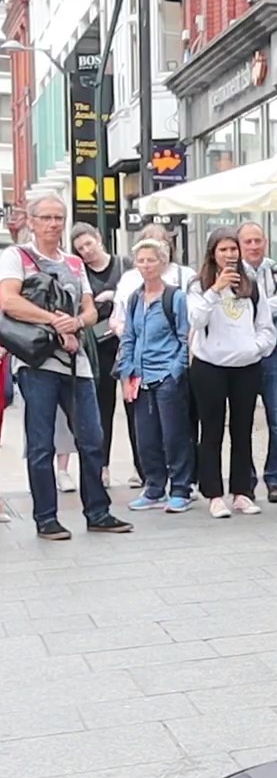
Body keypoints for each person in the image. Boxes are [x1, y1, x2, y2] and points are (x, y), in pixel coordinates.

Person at [0, 194, 133, 539]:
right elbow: (9, 301)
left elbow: (89, 310)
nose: (53, 224)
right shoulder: (16, 257)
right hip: (37, 363)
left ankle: (98, 511)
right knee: (41, 443)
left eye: (59, 217)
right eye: (46, 217)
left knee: (92, 438)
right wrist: (55, 321)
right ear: (31, 221)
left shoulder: (75, 264)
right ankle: (46, 518)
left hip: (77, 362)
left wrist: (77, 323)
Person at [189, 226, 276, 518]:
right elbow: (195, 319)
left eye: (233, 249)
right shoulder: (198, 285)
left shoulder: (250, 284)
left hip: (246, 366)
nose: (229, 255)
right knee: (211, 431)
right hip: (209, 367)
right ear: (212, 253)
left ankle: (242, 491)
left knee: (243, 430)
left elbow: (266, 326)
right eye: (223, 249)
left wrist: (256, 348)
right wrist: (215, 289)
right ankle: (213, 493)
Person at [118, 237, 196, 514]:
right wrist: (126, 370)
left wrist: (175, 371)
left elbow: (185, 337)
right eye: (141, 260)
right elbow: (129, 336)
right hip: (140, 377)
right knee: (145, 437)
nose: (146, 265)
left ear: (163, 263)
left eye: (151, 260)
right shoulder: (135, 298)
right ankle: (153, 487)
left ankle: (181, 488)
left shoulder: (175, 297)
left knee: (174, 435)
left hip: (166, 376)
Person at [238, 221, 277, 503]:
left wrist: (256, 304)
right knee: (243, 422)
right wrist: (266, 305)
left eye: (257, 241)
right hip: (243, 355)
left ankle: (274, 478)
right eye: (247, 242)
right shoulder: (233, 275)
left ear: (266, 242)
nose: (253, 246)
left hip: (275, 354)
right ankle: (245, 480)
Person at [69, 224, 132, 489]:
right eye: (80, 248)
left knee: (134, 405)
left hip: (126, 340)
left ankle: (142, 468)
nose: (86, 252)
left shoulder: (124, 264)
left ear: (99, 239)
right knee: (102, 407)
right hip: (98, 345)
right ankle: (102, 467)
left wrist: (114, 296)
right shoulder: (80, 272)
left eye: (88, 244)